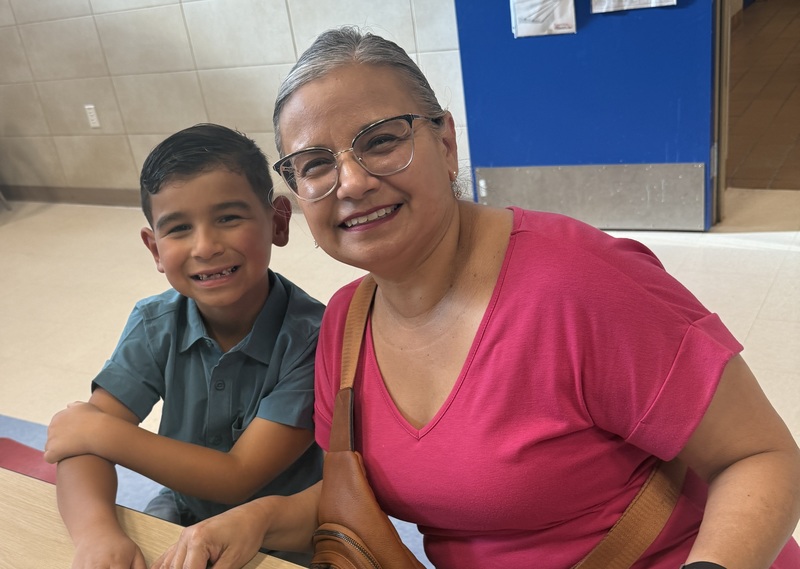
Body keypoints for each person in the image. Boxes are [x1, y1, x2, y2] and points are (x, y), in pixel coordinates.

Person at [152, 29, 800, 569]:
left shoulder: (579, 284)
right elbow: (350, 498)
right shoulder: (346, 327)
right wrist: (258, 517)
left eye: (381, 139)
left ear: (445, 140)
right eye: (316, 163)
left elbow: (761, 457)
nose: (351, 180)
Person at [44, 123, 324, 568]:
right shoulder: (156, 323)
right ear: (154, 249)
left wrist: (102, 432)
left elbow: (239, 478)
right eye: (178, 229)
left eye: (228, 218)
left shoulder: (315, 339)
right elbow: (78, 450)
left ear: (278, 221)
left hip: (284, 535)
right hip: (184, 514)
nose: (206, 246)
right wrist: (95, 534)